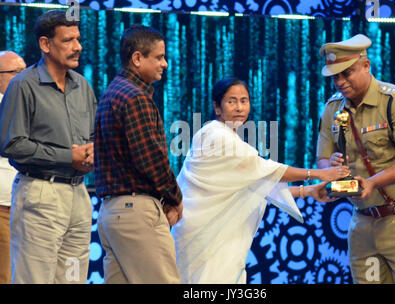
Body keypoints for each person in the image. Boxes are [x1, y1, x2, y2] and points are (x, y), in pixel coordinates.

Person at [171, 77, 350, 284]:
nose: (239, 108)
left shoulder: (223, 135)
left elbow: (253, 186)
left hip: (214, 236)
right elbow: (264, 171)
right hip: (204, 236)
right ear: (217, 107)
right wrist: (320, 174)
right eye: (231, 101)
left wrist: (307, 191)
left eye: (244, 101)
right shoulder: (217, 136)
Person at [316, 34, 395, 283]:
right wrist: (331, 169)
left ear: (366, 66)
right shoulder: (332, 109)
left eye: (347, 73)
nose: (340, 82)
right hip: (362, 223)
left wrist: (373, 182)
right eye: (335, 76)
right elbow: (322, 160)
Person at [0, 10, 97, 284]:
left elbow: (92, 134)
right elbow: (12, 144)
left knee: (73, 279)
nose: (77, 46)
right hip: (40, 192)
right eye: (68, 40)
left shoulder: (83, 86)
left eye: (78, 39)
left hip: (79, 193)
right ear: (45, 44)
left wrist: (92, 153)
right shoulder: (23, 85)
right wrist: (70, 156)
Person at [94, 25, 183, 284]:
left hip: (111, 214)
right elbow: (151, 161)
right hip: (136, 213)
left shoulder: (112, 93)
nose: (164, 63)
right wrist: (175, 197)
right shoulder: (135, 98)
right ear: (137, 58)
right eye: (159, 56)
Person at [0, 51, 26, 284]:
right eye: (15, 73)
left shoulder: (26, 104)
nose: (22, 77)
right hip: (3, 206)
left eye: (24, 72)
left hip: (25, 205)